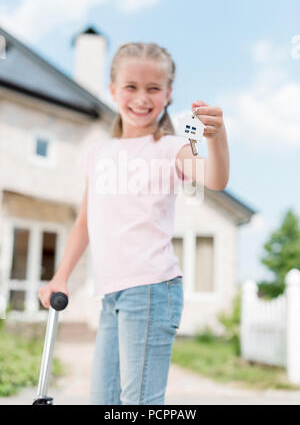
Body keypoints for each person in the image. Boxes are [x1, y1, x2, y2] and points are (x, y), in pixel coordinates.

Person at [39, 42, 229, 405]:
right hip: (111, 295)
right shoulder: (98, 154)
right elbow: (85, 223)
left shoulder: (173, 147)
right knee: (104, 402)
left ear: (168, 94)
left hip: (153, 290)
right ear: (113, 89)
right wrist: (60, 276)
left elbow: (216, 179)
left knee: (138, 404)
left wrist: (217, 140)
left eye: (153, 89)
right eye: (131, 87)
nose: (142, 98)